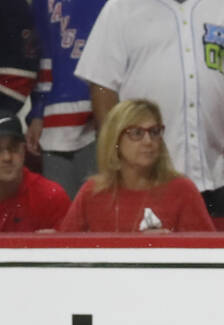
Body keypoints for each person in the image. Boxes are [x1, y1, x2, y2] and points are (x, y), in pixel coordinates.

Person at [74, 0, 224, 217]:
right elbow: (102, 83)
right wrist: (112, 141)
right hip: (147, 171)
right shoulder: (121, 7)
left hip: (218, 165)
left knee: (216, 247)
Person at [58, 99, 215, 232]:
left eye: (154, 132)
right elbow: (65, 252)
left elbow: (208, 256)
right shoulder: (92, 192)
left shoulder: (182, 190)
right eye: (136, 133)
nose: (148, 141)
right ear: (116, 140)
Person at [25, 0, 107, 198]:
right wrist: (38, 111)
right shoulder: (41, 3)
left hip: (98, 119)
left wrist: (106, 108)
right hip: (55, 123)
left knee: (97, 209)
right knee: (61, 212)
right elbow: (44, 52)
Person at [0, 115, 71, 232]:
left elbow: (72, 248)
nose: (7, 157)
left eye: (13, 148)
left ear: (24, 150)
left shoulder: (51, 197)